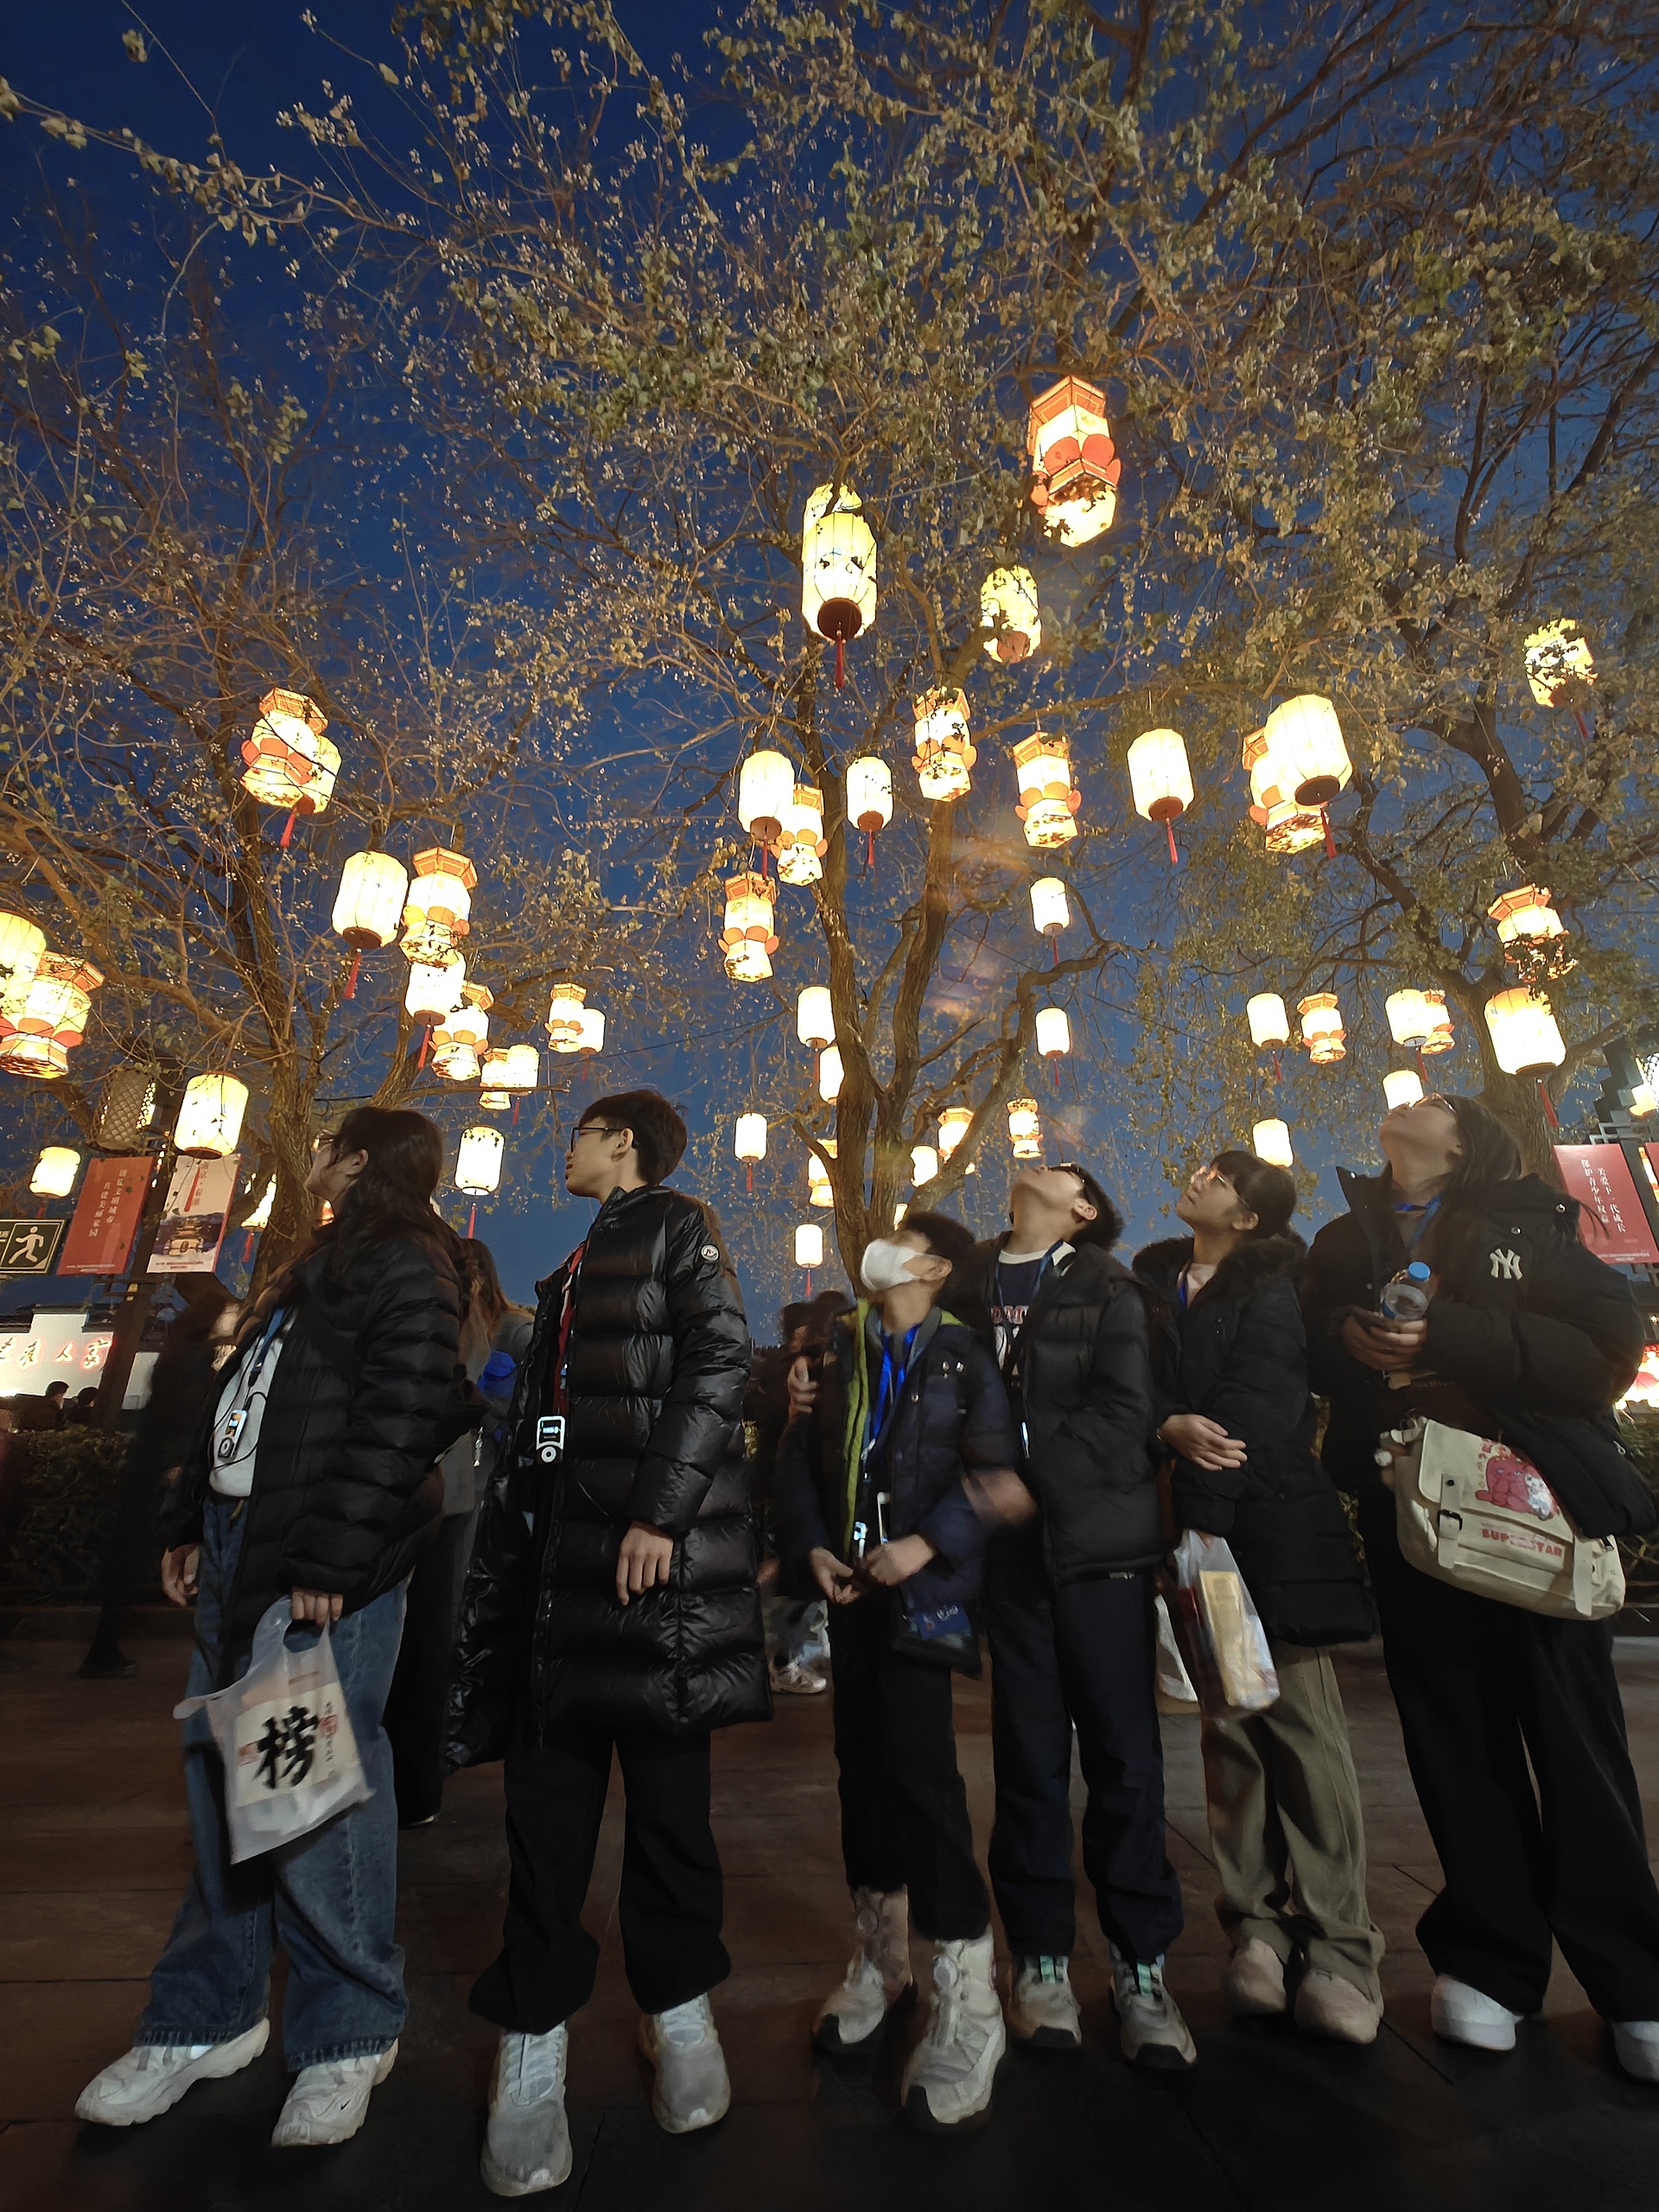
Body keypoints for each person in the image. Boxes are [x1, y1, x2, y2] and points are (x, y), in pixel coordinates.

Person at [75, 1109, 476, 2147]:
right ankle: (206, 2016)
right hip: (239, 1544)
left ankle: (349, 2030)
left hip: (314, 1563)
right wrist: (190, 1520)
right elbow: (242, 1401)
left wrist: (334, 1556)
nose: (313, 1157)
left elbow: (404, 1415)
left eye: (328, 1145)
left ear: (358, 1158)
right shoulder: (318, 1262)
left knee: (310, 1796)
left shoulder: (410, 1258)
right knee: (223, 1787)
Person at [448, 1090, 768, 2197]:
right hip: (556, 1592)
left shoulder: (678, 1227)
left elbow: (720, 1362)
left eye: (580, 1132)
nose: (566, 1147)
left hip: (650, 1584)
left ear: (621, 1143)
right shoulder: (569, 1272)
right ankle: (532, 2035)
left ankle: (678, 2008)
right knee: (545, 1824)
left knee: (672, 1813)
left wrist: (657, 1516)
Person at [1303, 1091, 1659, 2082]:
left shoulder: (1529, 1221)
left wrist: (1447, 1336)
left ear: (1464, 1143)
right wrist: (1348, 1337)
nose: (1407, 1098)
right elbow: (1311, 1349)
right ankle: (1491, 1961)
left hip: (1528, 1505)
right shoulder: (1344, 1237)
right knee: (1450, 1730)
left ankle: (1634, 1978)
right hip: (1410, 1510)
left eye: (1435, 1099)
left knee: (1574, 1734)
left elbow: (1605, 1351)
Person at [775, 1212, 1023, 2131]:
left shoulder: (964, 1354)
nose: (884, 1248)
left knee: (923, 1778)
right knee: (863, 1774)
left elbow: (1001, 1477)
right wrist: (810, 1543)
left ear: (936, 1268)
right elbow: (799, 1455)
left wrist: (925, 1544)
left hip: (924, 1597)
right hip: (851, 1591)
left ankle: (969, 1985)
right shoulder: (837, 1346)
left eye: (906, 1242)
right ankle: (882, 1958)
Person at [948, 1161, 1195, 2068]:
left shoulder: (1110, 1287)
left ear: (1083, 1208)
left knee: (1125, 1760)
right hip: (1010, 1562)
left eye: (1062, 1168)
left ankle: (1141, 1965)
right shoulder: (969, 1280)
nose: (1039, 1163)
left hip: (1099, 1554)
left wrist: (1028, 1480)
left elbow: (1125, 1411)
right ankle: (1041, 1958)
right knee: (1027, 1759)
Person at [1135, 1150, 1382, 2043]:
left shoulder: (1272, 1286)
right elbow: (1134, 1390)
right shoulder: (1153, 1285)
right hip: (1194, 1534)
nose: (1200, 1176)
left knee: (1303, 1733)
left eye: (1223, 1177)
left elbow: (1257, 1410)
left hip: (1269, 1533)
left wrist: (1196, 1514)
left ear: (1247, 1218)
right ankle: (1257, 1931)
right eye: (1203, 1167)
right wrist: (1162, 1426)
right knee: (1231, 1730)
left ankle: (1342, 1946)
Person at [385, 1237, 533, 1825]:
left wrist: (489, 1404)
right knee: (429, 1626)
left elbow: (528, 1411)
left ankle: (431, 1759)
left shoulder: (511, 1329)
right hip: (446, 1487)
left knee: (442, 1624)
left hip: (475, 1490)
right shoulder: (451, 1318)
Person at [79, 1281, 239, 1681]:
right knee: (164, 1550)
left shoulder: (178, 1351)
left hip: (145, 1465)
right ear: (213, 1317)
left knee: (130, 1555)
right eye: (228, 1312)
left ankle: (104, 1648)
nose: (233, 1318)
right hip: (161, 1471)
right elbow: (185, 1416)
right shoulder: (194, 1360)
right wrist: (178, 1464)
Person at [747, 1289, 850, 1696]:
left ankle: (784, 1652)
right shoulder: (802, 1373)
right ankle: (782, 1661)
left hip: (780, 1486)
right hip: (788, 1489)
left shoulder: (783, 1368)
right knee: (791, 1578)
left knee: (790, 1575)